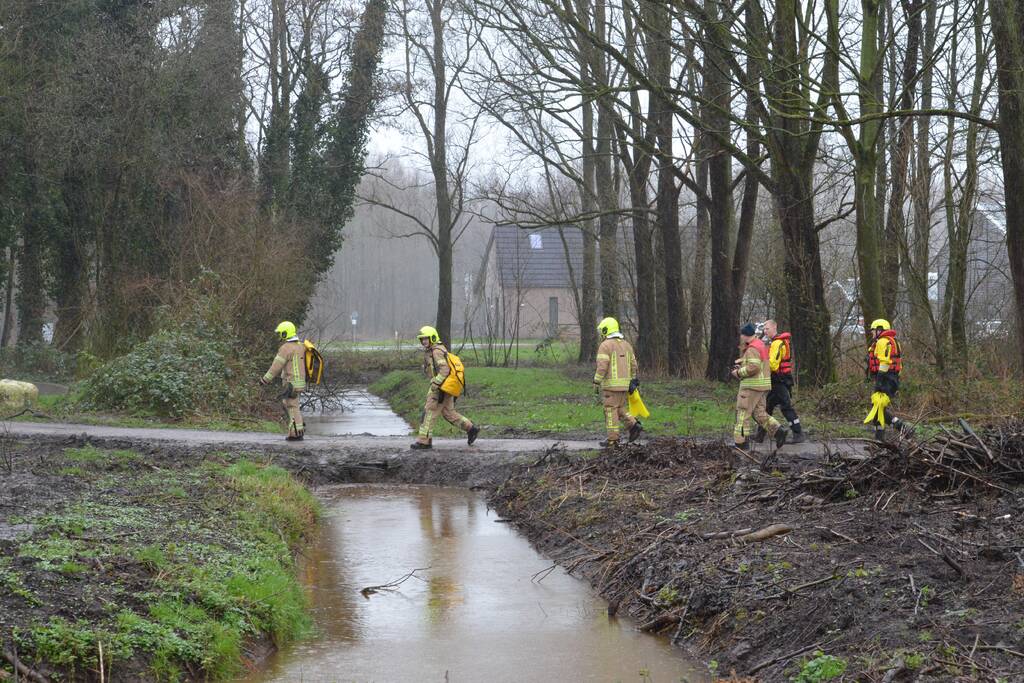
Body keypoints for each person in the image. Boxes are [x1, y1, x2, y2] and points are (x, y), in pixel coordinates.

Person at [410, 325, 479, 450]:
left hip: (440, 389)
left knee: (429, 412)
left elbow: (445, 370)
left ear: (432, 338)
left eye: (426, 338)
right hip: (446, 388)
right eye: (422, 339)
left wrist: (436, 384)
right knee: (449, 413)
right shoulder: (436, 349)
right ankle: (471, 429)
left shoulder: (436, 351)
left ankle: (424, 441)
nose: (423, 341)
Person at [732, 323, 787, 451]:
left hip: (751, 386)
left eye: (742, 335)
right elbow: (758, 365)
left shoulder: (752, 348)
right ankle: (778, 431)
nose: (741, 337)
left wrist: (738, 372)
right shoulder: (761, 345)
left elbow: (754, 367)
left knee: (742, 413)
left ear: (745, 335)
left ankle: (741, 443)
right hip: (762, 386)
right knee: (759, 413)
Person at [593, 317, 642, 448]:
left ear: (606, 330)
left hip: (611, 387)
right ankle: (633, 425)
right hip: (625, 386)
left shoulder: (605, 345)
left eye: (602, 330)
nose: (601, 333)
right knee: (620, 408)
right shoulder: (627, 345)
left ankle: (613, 440)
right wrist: (632, 381)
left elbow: (602, 367)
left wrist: (596, 381)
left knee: (610, 411)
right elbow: (634, 365)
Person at [755, 319, 806, 444]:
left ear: (774, 327)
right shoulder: (774, 342)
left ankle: (798, 434)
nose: (765, 331)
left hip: (780, 379)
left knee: (785, 406)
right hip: (777, 379)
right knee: (768, 406)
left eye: (767, 329)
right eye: (764, 329)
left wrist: (759, 365)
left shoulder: (777, 343)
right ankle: (760, 435)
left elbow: (773, 365)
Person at [865, 318, 914, 441]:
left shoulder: (882, 342)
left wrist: (880, 381)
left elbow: (885, 362)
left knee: (878, 409)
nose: (872, 332)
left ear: (880, 330)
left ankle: (903, 428)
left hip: (885, 379)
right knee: (878, 409)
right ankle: (879, 439)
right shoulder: (893, 342)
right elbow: (898, 365)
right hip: (891, 379)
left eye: (873, 330)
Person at [260, 321, 306, 441]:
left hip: (291, 382)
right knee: (294, 405)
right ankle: (297, 431)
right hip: (300, 382)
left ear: (285, 333)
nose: (280, 335)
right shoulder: (301, 346)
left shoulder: (286, 348)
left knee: (291, 406)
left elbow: (275, 367)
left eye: (281, 333)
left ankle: (295, 434)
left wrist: (265, 380)